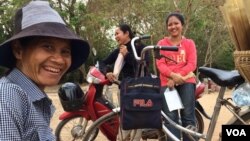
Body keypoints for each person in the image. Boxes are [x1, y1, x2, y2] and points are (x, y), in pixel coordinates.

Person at [0, 1, 90, 140]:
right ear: (18, 50)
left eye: (65, 51)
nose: (59, 60)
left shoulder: (33, 98)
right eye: (47, 47)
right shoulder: (8, 95)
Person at [99, 23, 149, 141]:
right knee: (125, 118)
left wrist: (127, 55)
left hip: (140, 88)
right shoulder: (118, 50)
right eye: (114, 34)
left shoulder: (140, 47)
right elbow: (102, 62)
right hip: (125, 88)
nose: (115, 36)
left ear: (126, 33)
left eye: (117, 33)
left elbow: (144, 66)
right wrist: (107, 72)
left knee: (137, 119)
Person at [156, 12, 197, 141]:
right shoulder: (161, 43)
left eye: (176, 23)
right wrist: (172, 76)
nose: (173, 26)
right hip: (167, 84)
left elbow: (192, 64)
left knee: (188, 116)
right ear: (167, 27)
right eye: (170, 24)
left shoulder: (189, 43)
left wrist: (178, 76)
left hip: (186, 81)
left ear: (182, 25)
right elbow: (160, 64)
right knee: (170, 118)